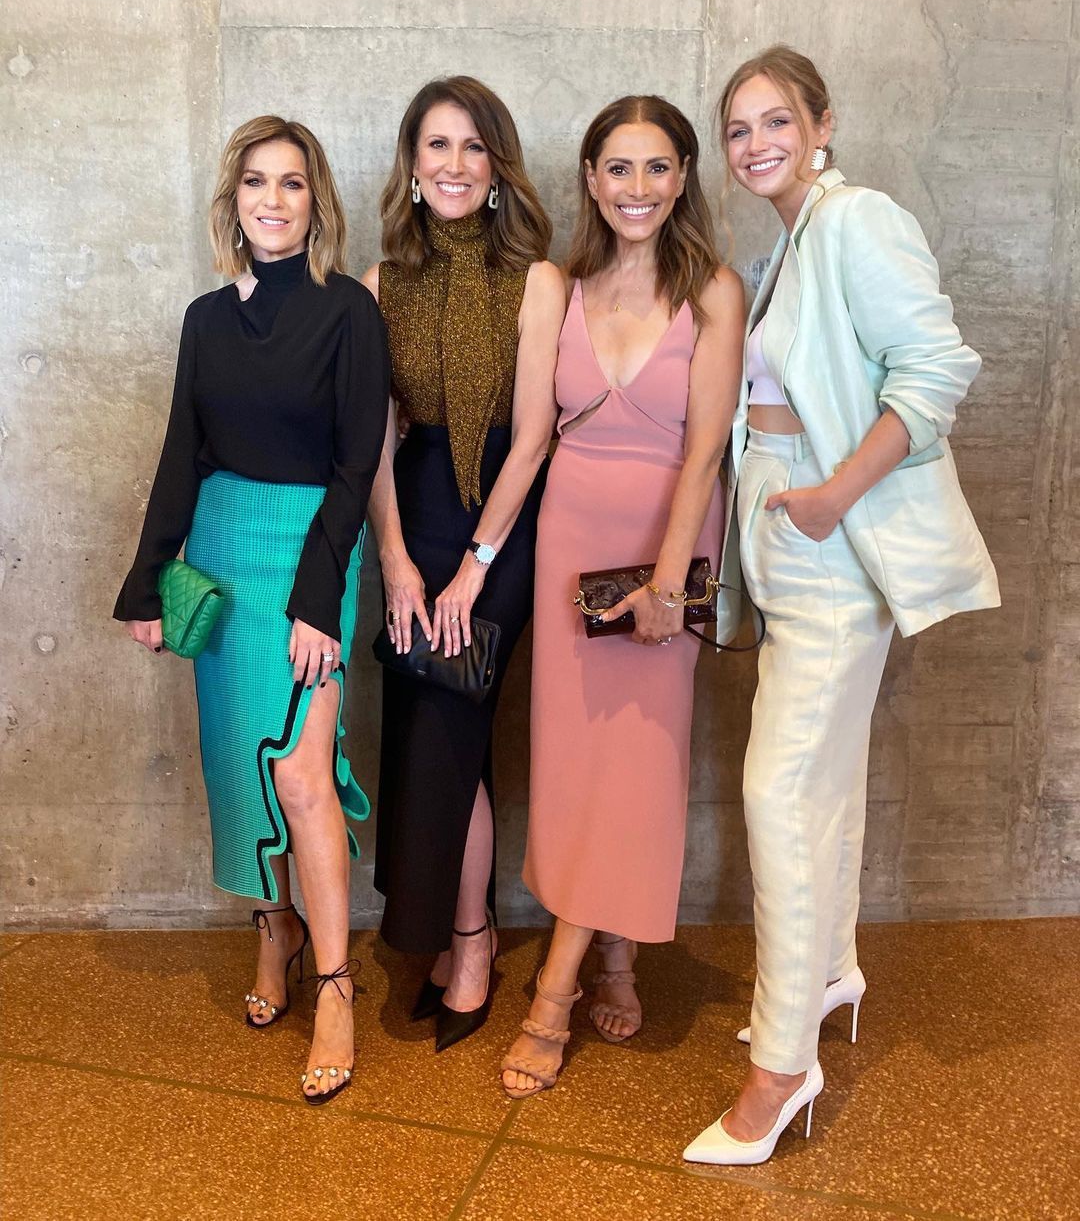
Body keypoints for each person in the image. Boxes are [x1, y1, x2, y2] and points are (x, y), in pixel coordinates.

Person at [683, 46, 1000, 1165]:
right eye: (739, 129)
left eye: (777, 120)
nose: (756, 142)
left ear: (822, 124)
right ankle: (827, 973)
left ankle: (782, 1067)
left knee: (776, 788)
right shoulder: (790, 240)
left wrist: (829, 496)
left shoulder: (859, 219)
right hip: (789, 541)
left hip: (828, 542)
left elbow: (938, 370)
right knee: (822, 777)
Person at [114, 116, 389, 1106]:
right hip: (223, 551)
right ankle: (273, 929)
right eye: (257, 182)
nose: (274, 199)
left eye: (293, 182)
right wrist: (147, 581)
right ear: (233, 200)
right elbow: (181, 452)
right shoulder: (204, 318)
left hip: (311, 551)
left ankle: (336, 985)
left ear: (318, 203)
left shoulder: (349, 310)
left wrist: (319, 600)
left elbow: (358, 464)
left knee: (303, 776)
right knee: (242, 767)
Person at [501, 95, 744, 1098]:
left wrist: (665, 582)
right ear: (590, 179)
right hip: (570, 544)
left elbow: (706, 450)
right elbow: (531, 440)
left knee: (636, 767)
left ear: (683, 177)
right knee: (574, 767)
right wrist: (474, 558)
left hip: (666, 551)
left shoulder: (715, 290)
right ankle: (613, 956)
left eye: (656, 167)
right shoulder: (558, 288)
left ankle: (553, 992)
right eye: (617, 167)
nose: (636, 187)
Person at [362, 77, 564, 1052]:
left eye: (473, 146)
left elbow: (533, 438)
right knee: (424, 721)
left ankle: (471, 938)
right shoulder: (378, 283)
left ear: (498, 166)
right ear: (412, 163)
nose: (454, 164)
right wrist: (397, 560)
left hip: (502, 526)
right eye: (437, 145)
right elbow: (373, 436)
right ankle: (445, 928)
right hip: (411, 513)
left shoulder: (536, 278)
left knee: (452, 720)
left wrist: (475, 567)